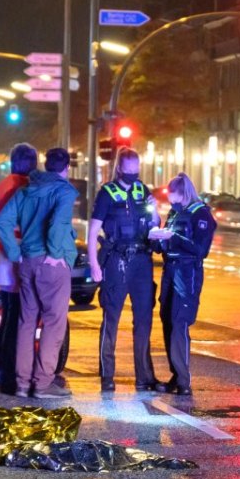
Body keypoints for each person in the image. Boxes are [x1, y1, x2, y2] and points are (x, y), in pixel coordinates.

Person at [0, 147, 78, 399]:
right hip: (52, 265)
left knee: (26, 322)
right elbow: (57, 224)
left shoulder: (25, 190)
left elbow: (3, 221)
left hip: (27, 261)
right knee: (54, 323)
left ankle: (22, 383)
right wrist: (54, 253)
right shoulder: (64, 191)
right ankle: (42, 384)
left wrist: (14, 252)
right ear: (66, 168)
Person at [87, 149, 162, 393]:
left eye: (136, 169)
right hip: (116, 260)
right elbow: (92, 231)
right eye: (129, 169)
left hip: (141, 260)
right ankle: (107, 376)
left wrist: (155, 210)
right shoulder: (107, 193)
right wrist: (94, 264)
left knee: (144, 320)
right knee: (111, 319)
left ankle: (144, 376)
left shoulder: (142, 190)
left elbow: (154, 225)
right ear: (120, 168)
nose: (133, 174)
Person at [151, 173, 215, 396]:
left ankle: (184, 380)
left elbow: (200, 250)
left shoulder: (201, 214)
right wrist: (156, 235)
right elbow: (161, 246)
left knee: (179, 323)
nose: (170, 199)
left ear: (184, 193)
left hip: (188, 273)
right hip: (170, 269)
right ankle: (176, 375)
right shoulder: (174, 212)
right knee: (167, 320)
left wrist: (173, 238)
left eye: (173, 194)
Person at [0, 142, 37, 395]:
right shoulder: (23, 187)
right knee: (18, 318)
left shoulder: (3, 184)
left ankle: (5, 371)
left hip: (1, 256)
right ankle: (11, 374)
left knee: (7, 316)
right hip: (15, 256)